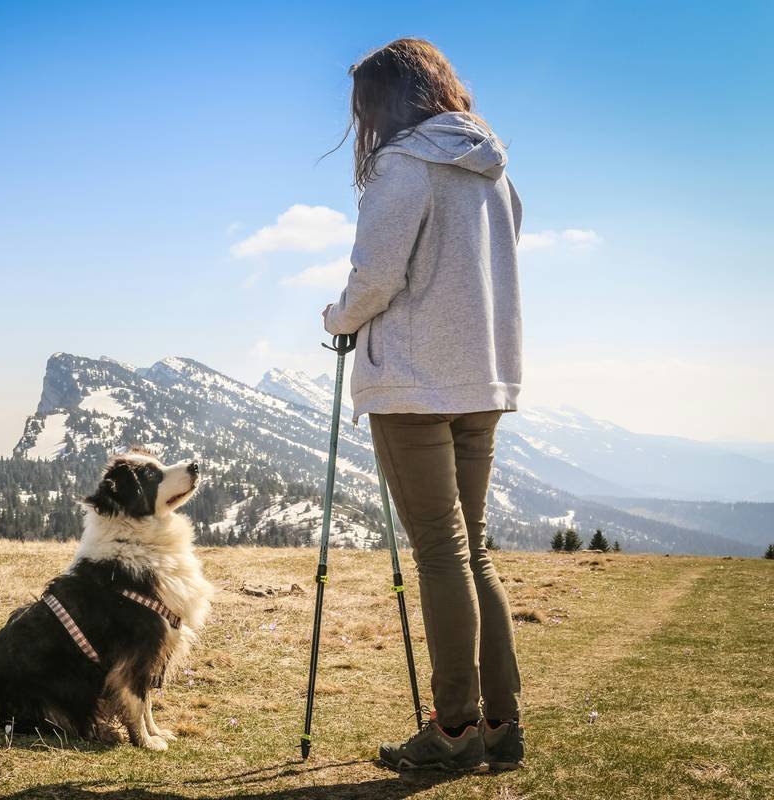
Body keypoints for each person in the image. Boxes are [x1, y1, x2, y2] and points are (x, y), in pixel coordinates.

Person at [322, 38, 524, 773]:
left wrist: (337, 318)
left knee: (441, 552)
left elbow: (375, 277)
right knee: (471, 549)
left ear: (385, 102)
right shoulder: (493, 170)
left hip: (414, 382)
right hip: (483, 377)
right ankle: (500, 726)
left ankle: (453, 731)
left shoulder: (401, 166)